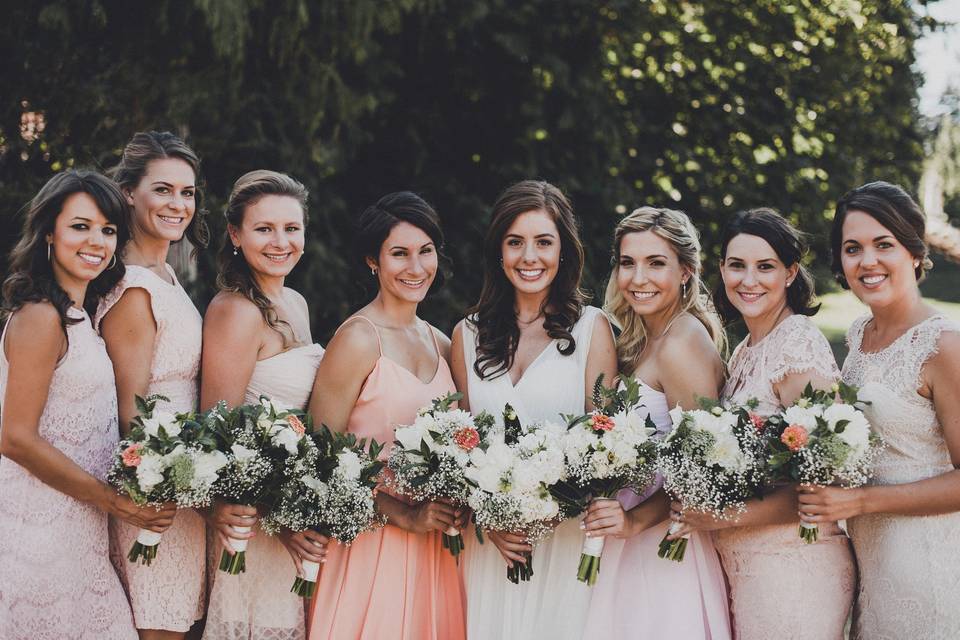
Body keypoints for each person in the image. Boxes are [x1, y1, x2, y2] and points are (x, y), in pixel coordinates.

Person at [0, 170, 175, 639]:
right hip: (35, 540)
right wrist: (116, 503)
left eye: (108, 229)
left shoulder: (83, 320)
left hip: (81, 537)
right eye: (80, 226)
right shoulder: (40, 316)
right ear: (48, 235)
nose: (96, 240)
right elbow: (15, 438)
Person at [671, 208, 855, 639]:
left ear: (790, 273)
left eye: (765, 266)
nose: (748, 280)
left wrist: (720, 514)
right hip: (748, 569)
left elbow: (827, 487)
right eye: (737, 265)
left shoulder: (797, 342)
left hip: (794, 571)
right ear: (721, 269)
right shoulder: (744, 352)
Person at [450, 180, 618, 640]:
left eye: (544, 242)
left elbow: (606, 447)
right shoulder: (467, 335)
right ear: (498, 252)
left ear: (563, 250)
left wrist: (554, 506)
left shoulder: (591, 329)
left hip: (563, 544)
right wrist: (489, 517)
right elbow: (463, 448)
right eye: (515, 242)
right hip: (491, 548)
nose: (530, 257)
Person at [800, 182, 960, 639]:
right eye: (853, 248)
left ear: (914, 250)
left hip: (931, 573)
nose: (867, 261)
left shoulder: (943, 344)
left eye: (883, 244)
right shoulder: (857, 336)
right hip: (872, 566)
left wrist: (861, 501)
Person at [307, 191, 466, 640]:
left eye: (426, 251)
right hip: (369, 545)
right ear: (372, 261)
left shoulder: (442, 343)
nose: (416, 268)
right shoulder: (358, 339)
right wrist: (401, 513)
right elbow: (320, 463)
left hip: (436, 549)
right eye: (399, 254)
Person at [581, 206, 731, 640]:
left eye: (656, 263)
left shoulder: (681, 344)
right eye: (628, 263)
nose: (638, 278)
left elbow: (700, 475)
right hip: (628, 545)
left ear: (686, 271)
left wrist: (632, 523)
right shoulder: (643, 338)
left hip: (663, 553)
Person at [201, 170, 322, 640]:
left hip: (292, 517)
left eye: (291, 229)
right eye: (264, 229)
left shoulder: (296, 301)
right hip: (253, 524)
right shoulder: (234, 311)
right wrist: (282, 521)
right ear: (235, 234)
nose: (280, 241)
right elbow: (219, 435)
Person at [97, 131, 209, 639]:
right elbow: (129, 412)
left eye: (187, 193)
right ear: (128, 195)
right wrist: (162, 481)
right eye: (162, 190)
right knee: (157, 626)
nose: (178, 204)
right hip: (155, 491)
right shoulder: (134, 287)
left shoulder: (166, 276)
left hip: (186, 481)